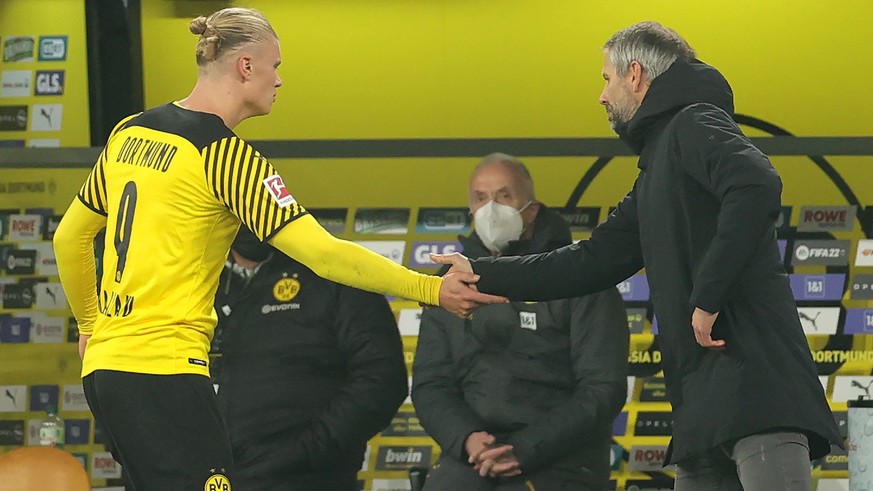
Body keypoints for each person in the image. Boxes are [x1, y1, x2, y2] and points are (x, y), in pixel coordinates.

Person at [51, 7, 503, 490]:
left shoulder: (129, 132)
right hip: (165, 373)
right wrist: (429, 288)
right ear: (246, 66)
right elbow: (326, 255)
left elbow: (69, 238)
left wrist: (91, 325)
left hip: (108, 374)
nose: (280, 80)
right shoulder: (225, 156)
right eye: (276, 65)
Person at [434, 22, 842, 490]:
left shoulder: (694, 121)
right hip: (702, 404)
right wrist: (482, 273)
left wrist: (708, 297)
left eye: (605, 79)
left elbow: (756, 185)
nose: (602, 96)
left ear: (634, 74)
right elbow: (591, 260)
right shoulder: (658, 165)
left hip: (756, 391)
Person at [413, 154, 628, 491]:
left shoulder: (581, 278)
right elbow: (431, 383)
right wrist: (467, 438)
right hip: (472, 457)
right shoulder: (449, 285)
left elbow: (602, 388)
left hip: (564, 458)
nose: (491, 209)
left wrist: (525, 448)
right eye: (480, 198)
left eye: (504, 196)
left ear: (532, 208)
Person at [211, 228, 407, 490]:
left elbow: (382, 376)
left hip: (308, 478)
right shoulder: (198, 278)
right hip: (207, 475)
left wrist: (309, 449)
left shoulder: (333, 269)